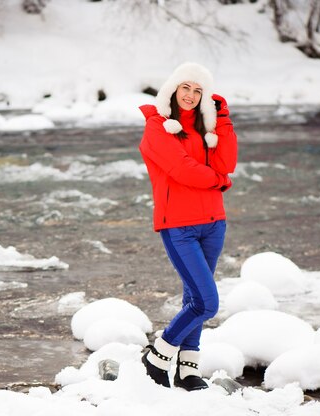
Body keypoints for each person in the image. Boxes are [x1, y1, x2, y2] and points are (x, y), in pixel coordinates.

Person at [138, 62, 238, 391]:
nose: (191, 96)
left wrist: (221, 119)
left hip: (213, 224)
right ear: (173, 88)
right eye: (186, 87)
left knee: (193, 297)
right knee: (206, 302)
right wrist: (220, 181)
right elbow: (182, 169)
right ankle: (159, 355)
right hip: (178, 225)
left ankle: (188, 369)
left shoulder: (204, 130)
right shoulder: (156, 127)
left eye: (198, 91)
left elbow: (227, 162)